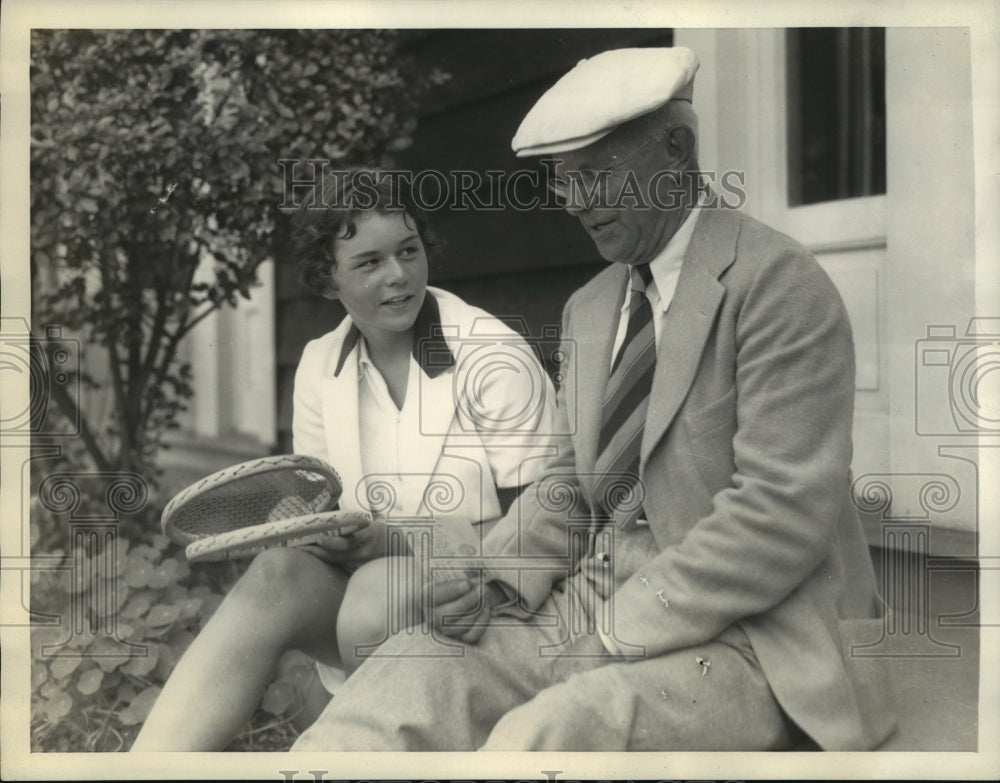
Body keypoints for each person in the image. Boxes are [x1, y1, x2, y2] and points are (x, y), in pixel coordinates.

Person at [291, 47, 898, 752]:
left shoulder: (778, 285)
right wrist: (489, 581)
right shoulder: (592, 305)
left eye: (597, 175)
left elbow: (779, 514)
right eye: (562, 181)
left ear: (676, 150)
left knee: (550, 732)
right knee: (404, 675)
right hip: (591, 600)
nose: (576, 202)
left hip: (756, 639)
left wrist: (617, 627)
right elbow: (568, 489)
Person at [131, 169, 557, 751]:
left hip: (487, 596)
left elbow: (539, 536)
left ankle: (367, 744)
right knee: (278, 573)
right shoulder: (319, 365)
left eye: (409, 251)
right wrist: (318, 532)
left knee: (371, 594)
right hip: (373, 595)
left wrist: (391, 541)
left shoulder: (494, 357)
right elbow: (326, 506)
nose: (399, 275)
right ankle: (150, 765)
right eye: (369, 262)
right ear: (327, 281)